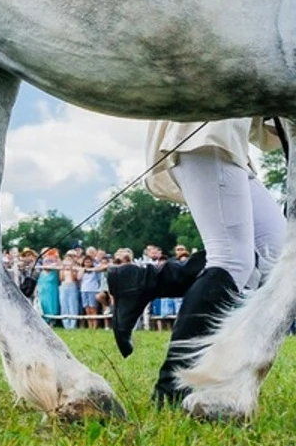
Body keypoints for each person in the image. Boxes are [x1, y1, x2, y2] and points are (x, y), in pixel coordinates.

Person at [105, 118, 284, 407]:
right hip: (204, 133)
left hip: (232, 143)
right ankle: (173, 388)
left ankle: (141, 280)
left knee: (272, 253)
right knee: (232, 260)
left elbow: (264, 132)